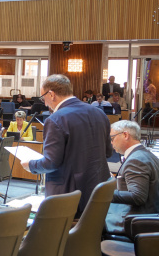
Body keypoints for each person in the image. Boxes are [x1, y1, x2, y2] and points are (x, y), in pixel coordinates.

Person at [22, 74, 112, 214]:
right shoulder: (99, 113)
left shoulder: (56, 119)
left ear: (51, 94)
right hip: (98, 190)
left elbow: (51, 163)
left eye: (43, 97)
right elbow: (108, 153)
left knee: (63, 235)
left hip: (69, 196)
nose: (45, 103)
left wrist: (30, 165)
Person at [105, 120, 159, 235]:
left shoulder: (136, 160)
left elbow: (137, 196)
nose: (111, 143)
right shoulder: (146, 155)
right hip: (145, 216)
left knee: (91, 221)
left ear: (125, 135)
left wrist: (106, 193)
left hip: (134, 221)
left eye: (112, 138)